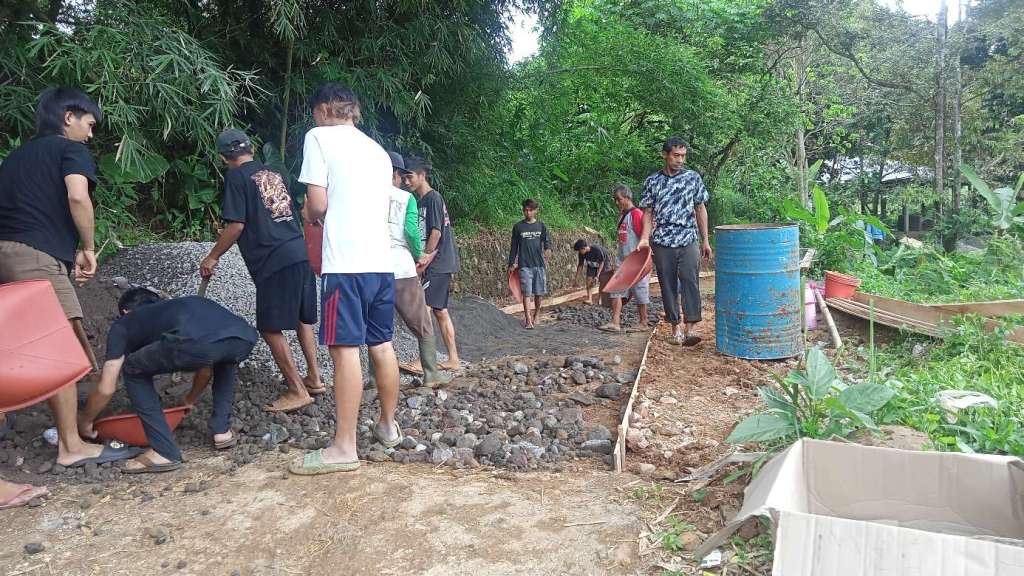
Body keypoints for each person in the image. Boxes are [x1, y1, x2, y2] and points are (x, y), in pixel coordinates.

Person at [0, 87, 138, 468]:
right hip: (35, 258)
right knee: (60, 350)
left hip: (5, 256)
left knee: (17, 349)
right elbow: (78, 196)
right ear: (69, 118)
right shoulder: (70, 150)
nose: (91, 135)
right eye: (89, 125)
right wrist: (89, 247)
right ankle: (71, 446)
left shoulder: (14, 158)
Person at [290, 83, 402, 475]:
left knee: (345, 351)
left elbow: (318, 203)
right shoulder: (377, 151)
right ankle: (388, 426)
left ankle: (343, 447)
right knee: (382, 344)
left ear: (322, 110)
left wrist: (311, 215)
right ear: (352, 111)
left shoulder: (318, 137)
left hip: (346, 265)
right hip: (380, 263)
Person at [199, 128, 324, 413]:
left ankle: (297, 389)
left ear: (223, 157)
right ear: (251, 149)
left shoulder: (235, 176)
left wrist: (212, 257)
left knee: (269, 326)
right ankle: (314, 379)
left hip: (274, 259)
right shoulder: (272, 174)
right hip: (298, 250)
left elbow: (236, 225)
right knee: (303, 317)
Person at [79, 288, 257, 473]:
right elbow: (206, 368)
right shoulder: (184, 307)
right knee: (225, 359)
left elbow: (107, 387)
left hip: (197, 344)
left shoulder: (124, 323)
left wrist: (85, 421)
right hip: (244, 338)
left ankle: (163, 451)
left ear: (125, 311)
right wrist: (190, 399)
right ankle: (222, 431)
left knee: (131, 369)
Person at [375, 151, 452, 388]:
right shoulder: (404, 198)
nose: (405, 181)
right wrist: (419, 255)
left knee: (377, 325)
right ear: (396, 174)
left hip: (374, 267)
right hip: (401, 269)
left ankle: (373, 377)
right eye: (402, 175)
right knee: (421, 321)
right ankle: (431, 373)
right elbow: (410, 230)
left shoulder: (367, 195)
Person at [637, 136, 712, 346]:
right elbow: (648, 212)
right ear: (666, 155)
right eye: (676, 155)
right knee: (667, 284)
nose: (680, 160)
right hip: (662, 240)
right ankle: (675, 327)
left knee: (690, 280)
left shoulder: (693, 178)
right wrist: (644, 238)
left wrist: (705, 240)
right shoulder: (653, 181)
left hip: (688, 237)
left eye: (683, 156)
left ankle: (691, 328)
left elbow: (700, 208)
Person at [405, 156, 462, 372]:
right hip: (436, 263)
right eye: (404, 177)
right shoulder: (419, 201)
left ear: (422, 175)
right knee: (440, 310)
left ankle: (424, 362)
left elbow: (436, 232)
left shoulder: (433, 198)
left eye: (410, 177)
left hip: (438, 262)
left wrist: (426, 258)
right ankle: (453, 359)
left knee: (424, 309)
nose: (406, 181)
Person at [601, 185, 650, 332]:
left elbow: (645, 237)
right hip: (622, 259)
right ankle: (615, 322)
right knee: (616, 290)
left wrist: (645, 260)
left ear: (627, 198)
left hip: (636, 261)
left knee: (640, 291)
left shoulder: (637, 215)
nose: (616, 202)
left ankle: (643, 321)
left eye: (619, 199)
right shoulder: (622, 216)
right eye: (615, 200)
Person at [507, 198, 551, 329]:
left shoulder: (541, 226)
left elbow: (547, 241)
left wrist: (548, 249)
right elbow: (514, 247)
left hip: (539, 264)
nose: (528, 213)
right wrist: (511, 263)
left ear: (535, 211)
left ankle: (537, 314)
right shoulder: (518, 227)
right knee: (526, 293)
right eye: (525, 210)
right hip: (524, 265)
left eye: (530, 210)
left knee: (538, 293)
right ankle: (528, 320)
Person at [573, 239, 611, 305]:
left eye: (579, 250)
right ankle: (589, 299)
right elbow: (580, 266)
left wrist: (597, 276)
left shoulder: (596, 250)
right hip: (591, 264)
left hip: (603, 263)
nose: (579, 252)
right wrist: (576, 279)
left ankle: (600, 299)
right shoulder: (581, 253)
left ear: (583, 248)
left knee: (602, 280)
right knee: (589, 280)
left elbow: (601, 263)